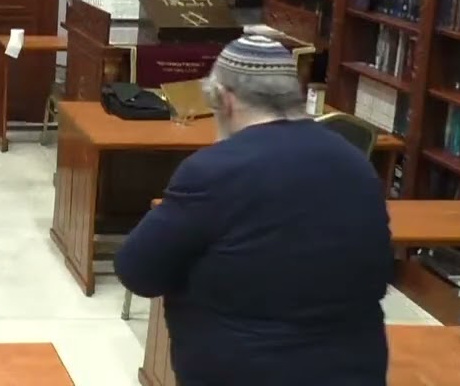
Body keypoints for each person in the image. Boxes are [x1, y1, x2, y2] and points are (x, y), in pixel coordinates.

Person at [114, 35, 392, 386]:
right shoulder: (356, 163)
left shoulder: (214, 170)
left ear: (226, 100)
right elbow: (380, 271)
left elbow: (137, 272)